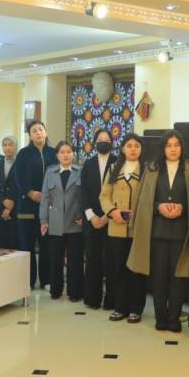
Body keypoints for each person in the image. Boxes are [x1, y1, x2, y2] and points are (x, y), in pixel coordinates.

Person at [129, 129, 189, 332]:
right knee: (158, 278)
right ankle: (160, 317)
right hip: (157, 231)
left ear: (182, 147)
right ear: (163, 148)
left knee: (177, 278)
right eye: (168, 145)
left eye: (176, 145)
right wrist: (158, 206)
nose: (173, 149)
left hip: (181, 233)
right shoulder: (152, 169)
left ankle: (174, 318)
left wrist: (183, 207)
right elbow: (143, 200)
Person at [99, 132, 147, 323]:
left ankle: (136, 308)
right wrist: (112, 211)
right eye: (129, 146)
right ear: (122, 149)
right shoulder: (114, 168)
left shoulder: (147, 170)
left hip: (137, 228)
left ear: (141, 149)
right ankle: (120, 307)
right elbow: (104, 195)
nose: (133, 149)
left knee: (136, 270)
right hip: (116, 227)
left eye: (137, 146)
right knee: (118, 269)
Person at [39, 141, 85, 300]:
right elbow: (45, 198)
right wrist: (43, 220)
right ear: (57, 155)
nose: (65, 155)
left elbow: (85, 196)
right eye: (62, 152)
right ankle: (56, 290)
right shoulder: (50, 172)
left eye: (69, 152)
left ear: (73, 154)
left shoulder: (80, 171)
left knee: (75, 260)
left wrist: (84, 216)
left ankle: (75, 292)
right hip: (55, 222)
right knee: (55, 259)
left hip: (75, 221)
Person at [14, 120, 56, 288]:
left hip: (49, 205)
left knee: (46, 244)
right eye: (34, 131)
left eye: (40, 129)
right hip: (27, 205)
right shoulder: (23, 154)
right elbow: (18, 177)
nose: (38, 133)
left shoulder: (53, 153)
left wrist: (47, 195)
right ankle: (28, 281)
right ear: (30, 136)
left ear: (46, 132)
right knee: (27, 245)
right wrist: (30, 193)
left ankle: (46, 280)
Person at [80, 129, 116, 310]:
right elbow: (83, 192)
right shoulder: (88, 164)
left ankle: (111, 300)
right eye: (100, 139)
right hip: (92, 218)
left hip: (113, 218)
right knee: (93, 260)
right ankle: (92, 299)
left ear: (112, 142)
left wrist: (108, 215)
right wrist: (92, 216)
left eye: (106, 139)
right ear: (95, 142)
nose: (103, 141)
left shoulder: (118, 162)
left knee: (111, 260)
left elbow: (119, 193)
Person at [0, 136, 19, 249]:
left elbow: (20, 186)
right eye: (4, 145)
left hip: (16, 207)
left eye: (10, 145)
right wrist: (3, 201)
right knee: (2, 243)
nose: (7, 147)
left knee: (14, 242)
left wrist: (10, 204)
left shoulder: (20, 163)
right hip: (0, 207)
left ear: (16, 146)